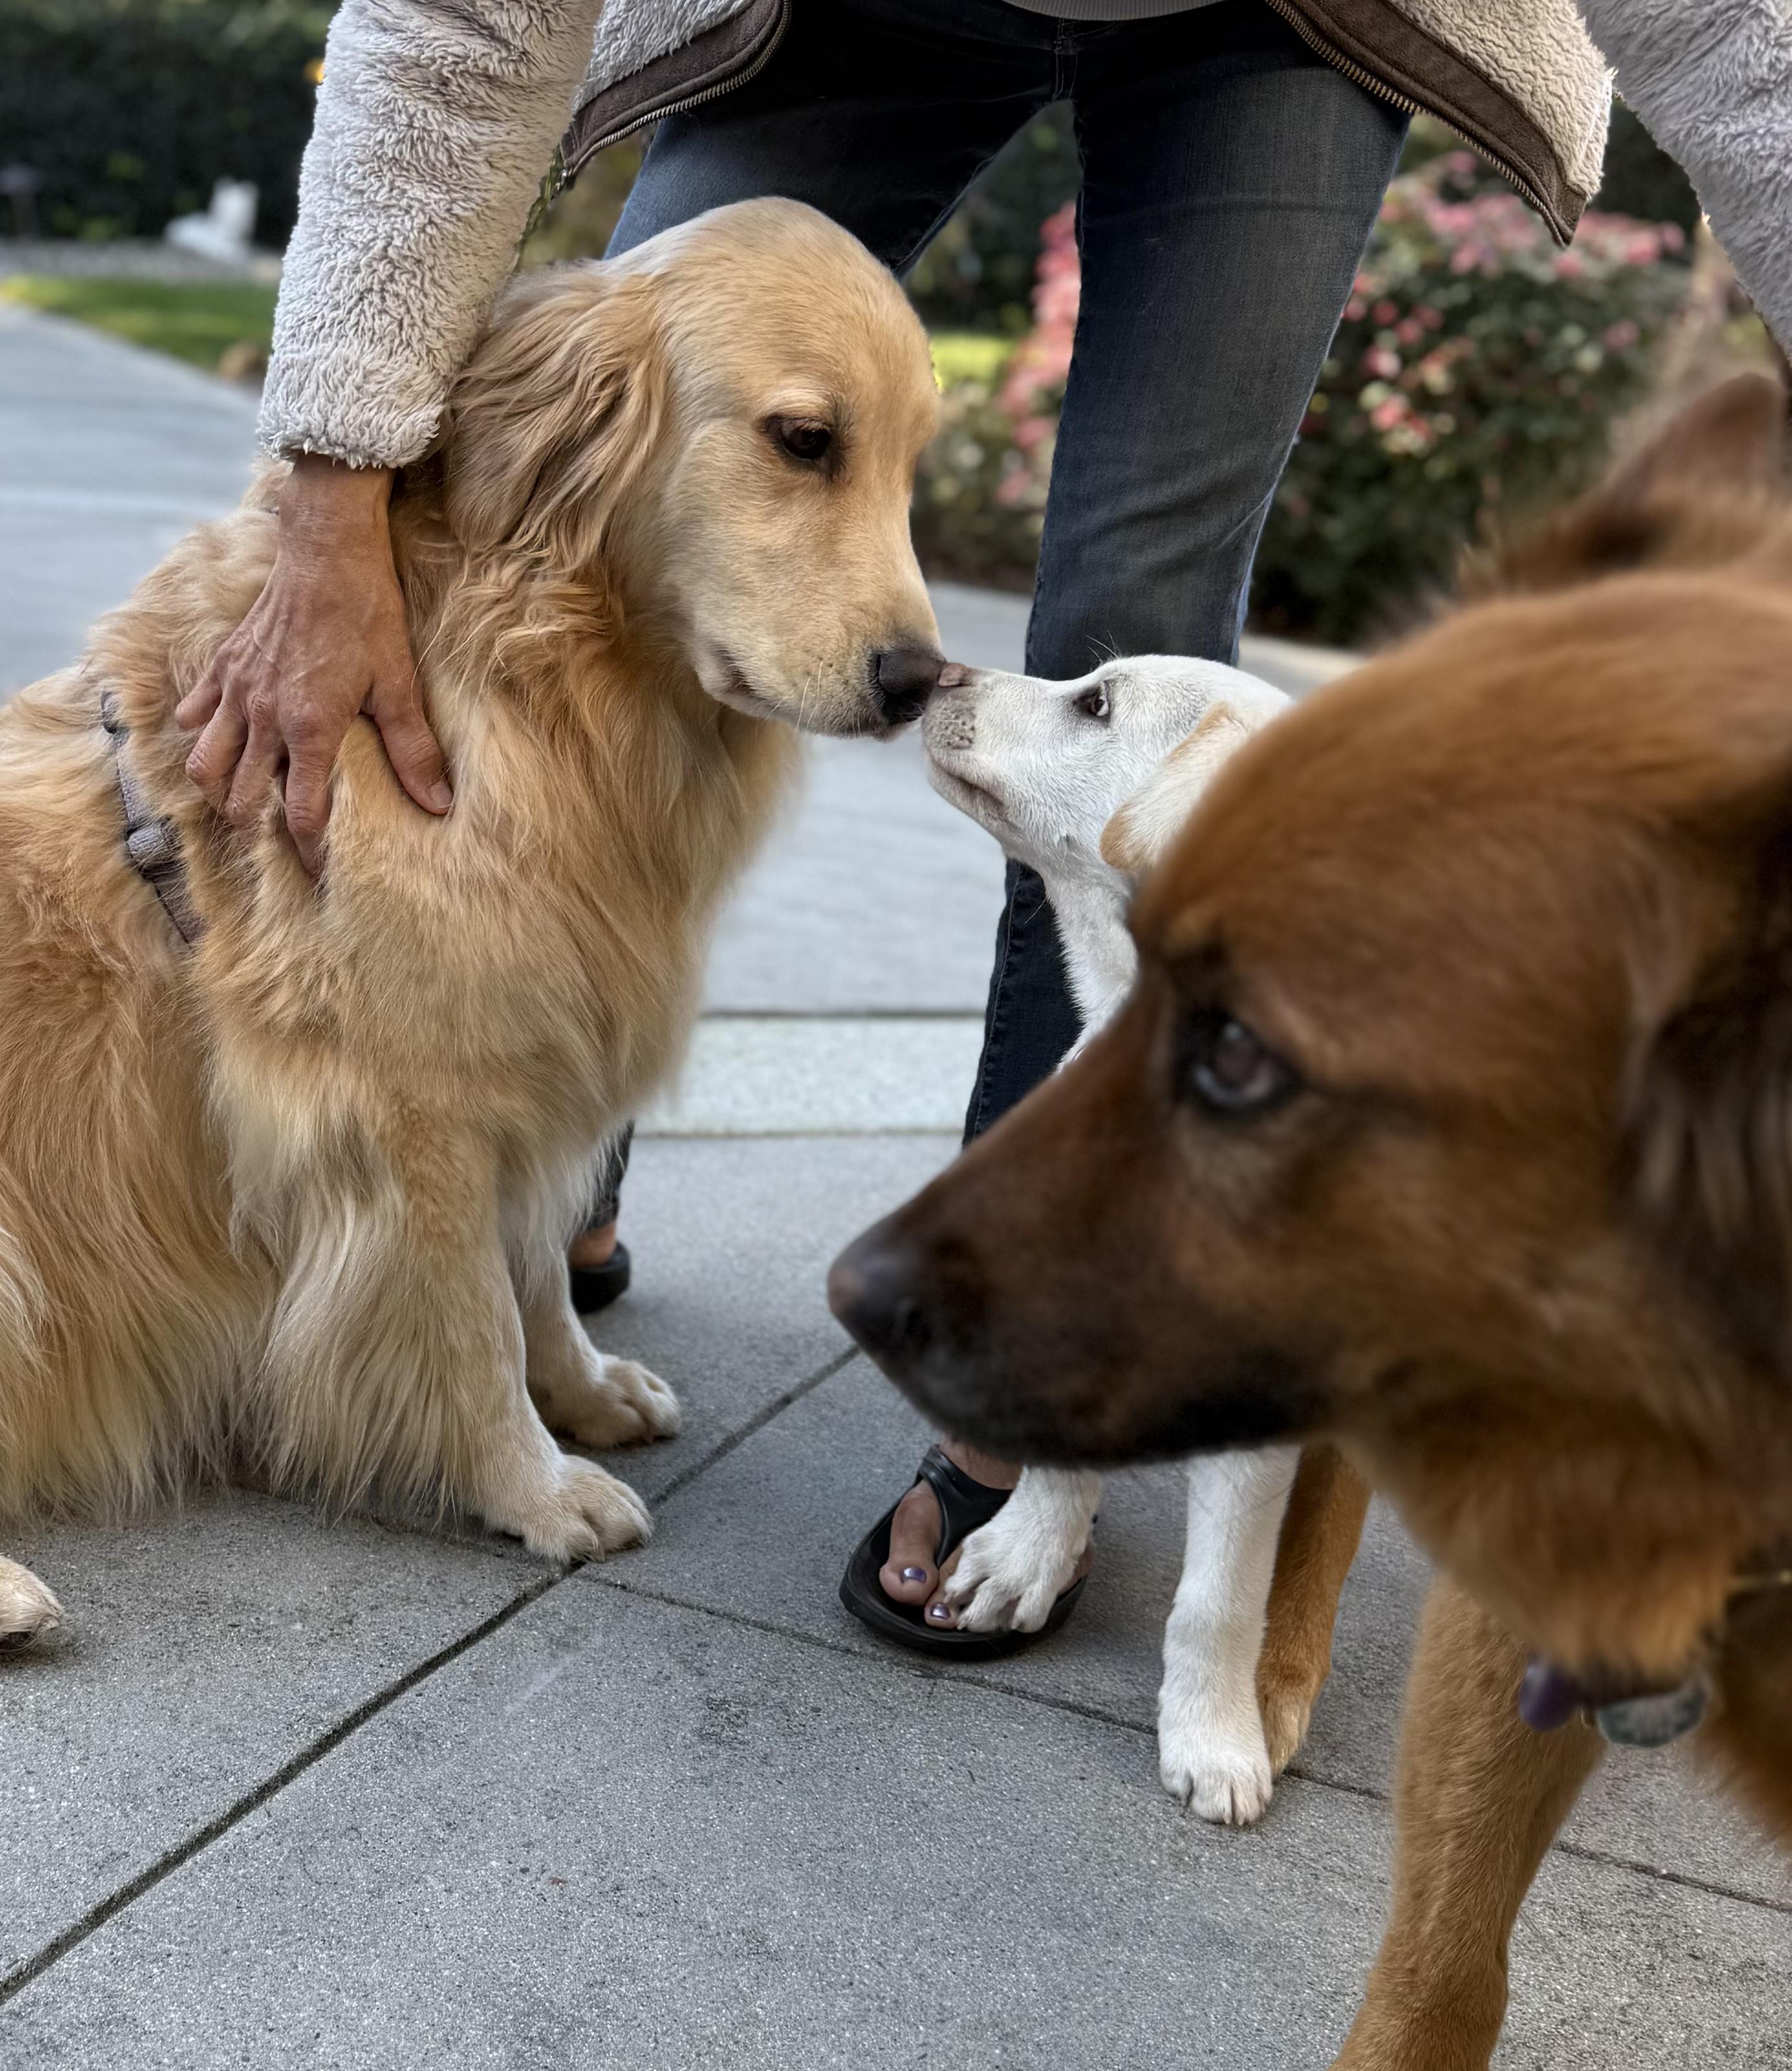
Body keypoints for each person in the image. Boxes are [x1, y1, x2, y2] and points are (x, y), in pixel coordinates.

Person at [184, 0, 1727, 1648]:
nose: (907, 619)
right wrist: (329, 485)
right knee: (594, 431)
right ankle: (529, 1201)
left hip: (1291, 29)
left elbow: (1735, 25)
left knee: (1127, 626)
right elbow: (459, 22)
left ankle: (1026, 1368)